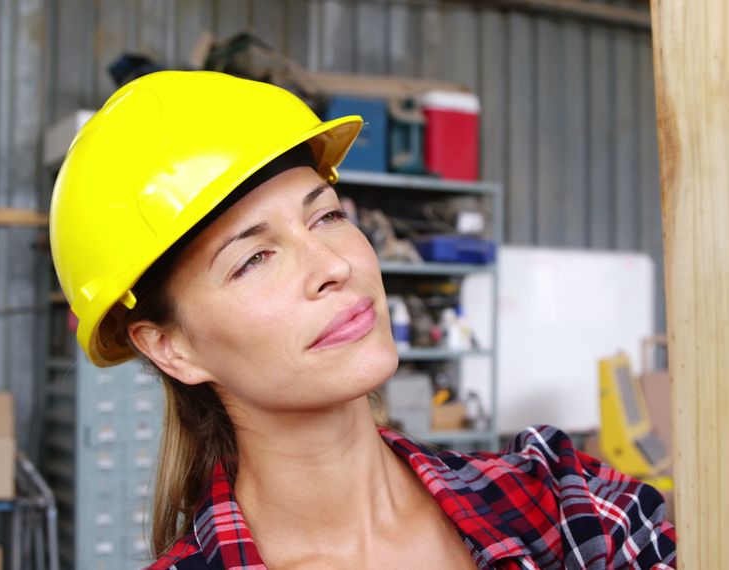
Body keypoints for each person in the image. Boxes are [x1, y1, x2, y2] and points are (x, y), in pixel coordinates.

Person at [50, 71, 676, 569]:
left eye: (326, 216)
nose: (333, 266)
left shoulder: (564, 509)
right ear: (170, 347)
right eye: (254, 258)